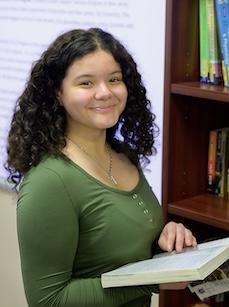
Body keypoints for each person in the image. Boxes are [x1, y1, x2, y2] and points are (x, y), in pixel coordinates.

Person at [5, 28, 197, 307]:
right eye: (86, 83)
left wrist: (169, 240)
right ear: (57, 92)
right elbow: (48, 301)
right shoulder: (50, 181)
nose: (105, 92)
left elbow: (121, 250)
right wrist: (151, 279)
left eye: (114, 79)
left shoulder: (121, 157)